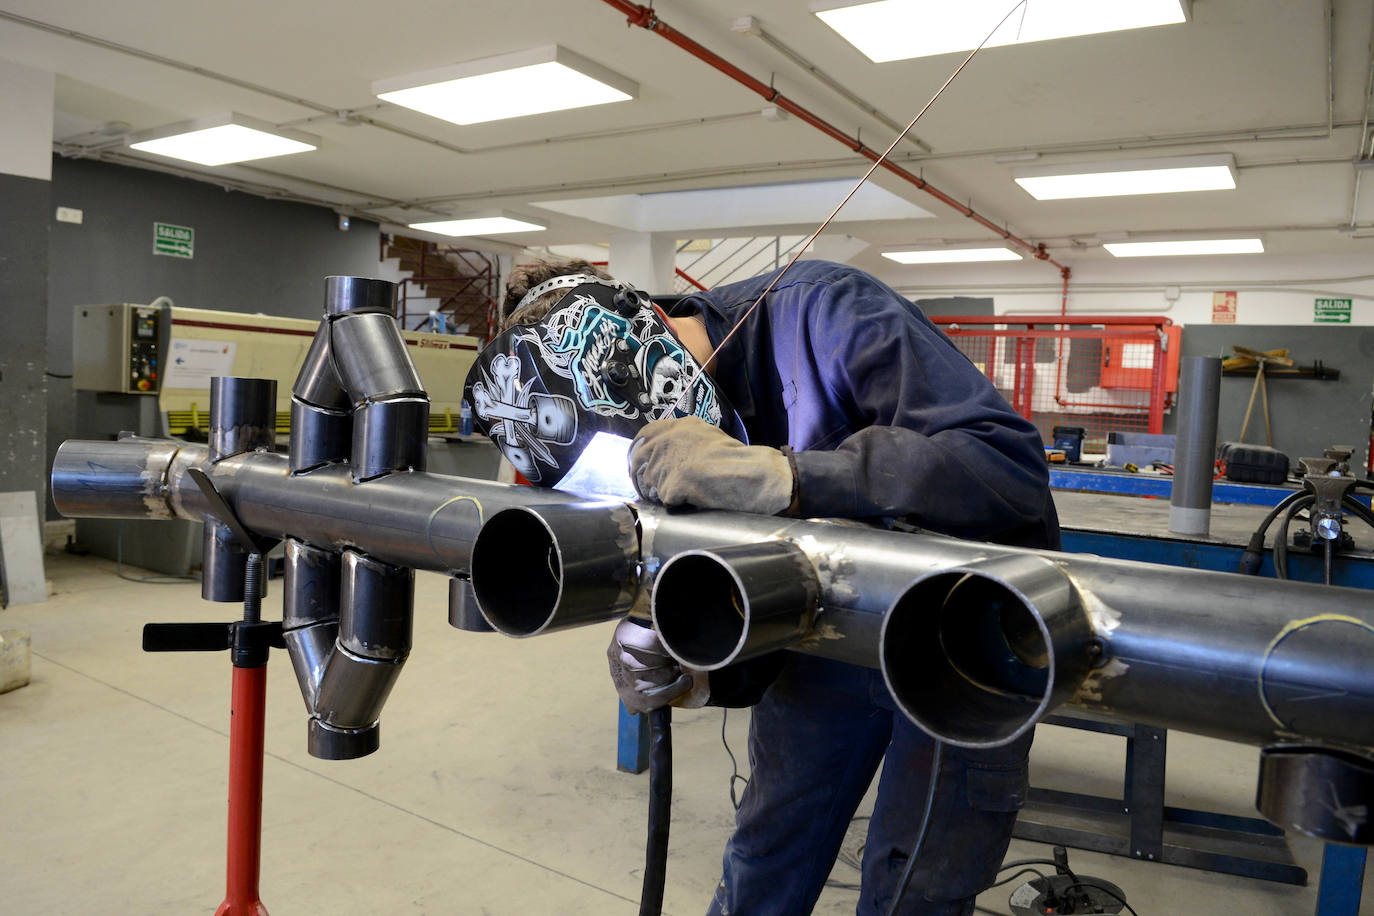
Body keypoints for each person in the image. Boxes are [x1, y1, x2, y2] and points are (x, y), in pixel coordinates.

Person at [496, 257, 1059, 916]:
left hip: (968, 629)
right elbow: (741, 587)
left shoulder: (825, 309)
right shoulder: (637, 423)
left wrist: (790, 478)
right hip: (827, 624)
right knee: (767, 849)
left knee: (917, 885)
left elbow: (1006, 466)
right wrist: (699, 668)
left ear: (641, 338)